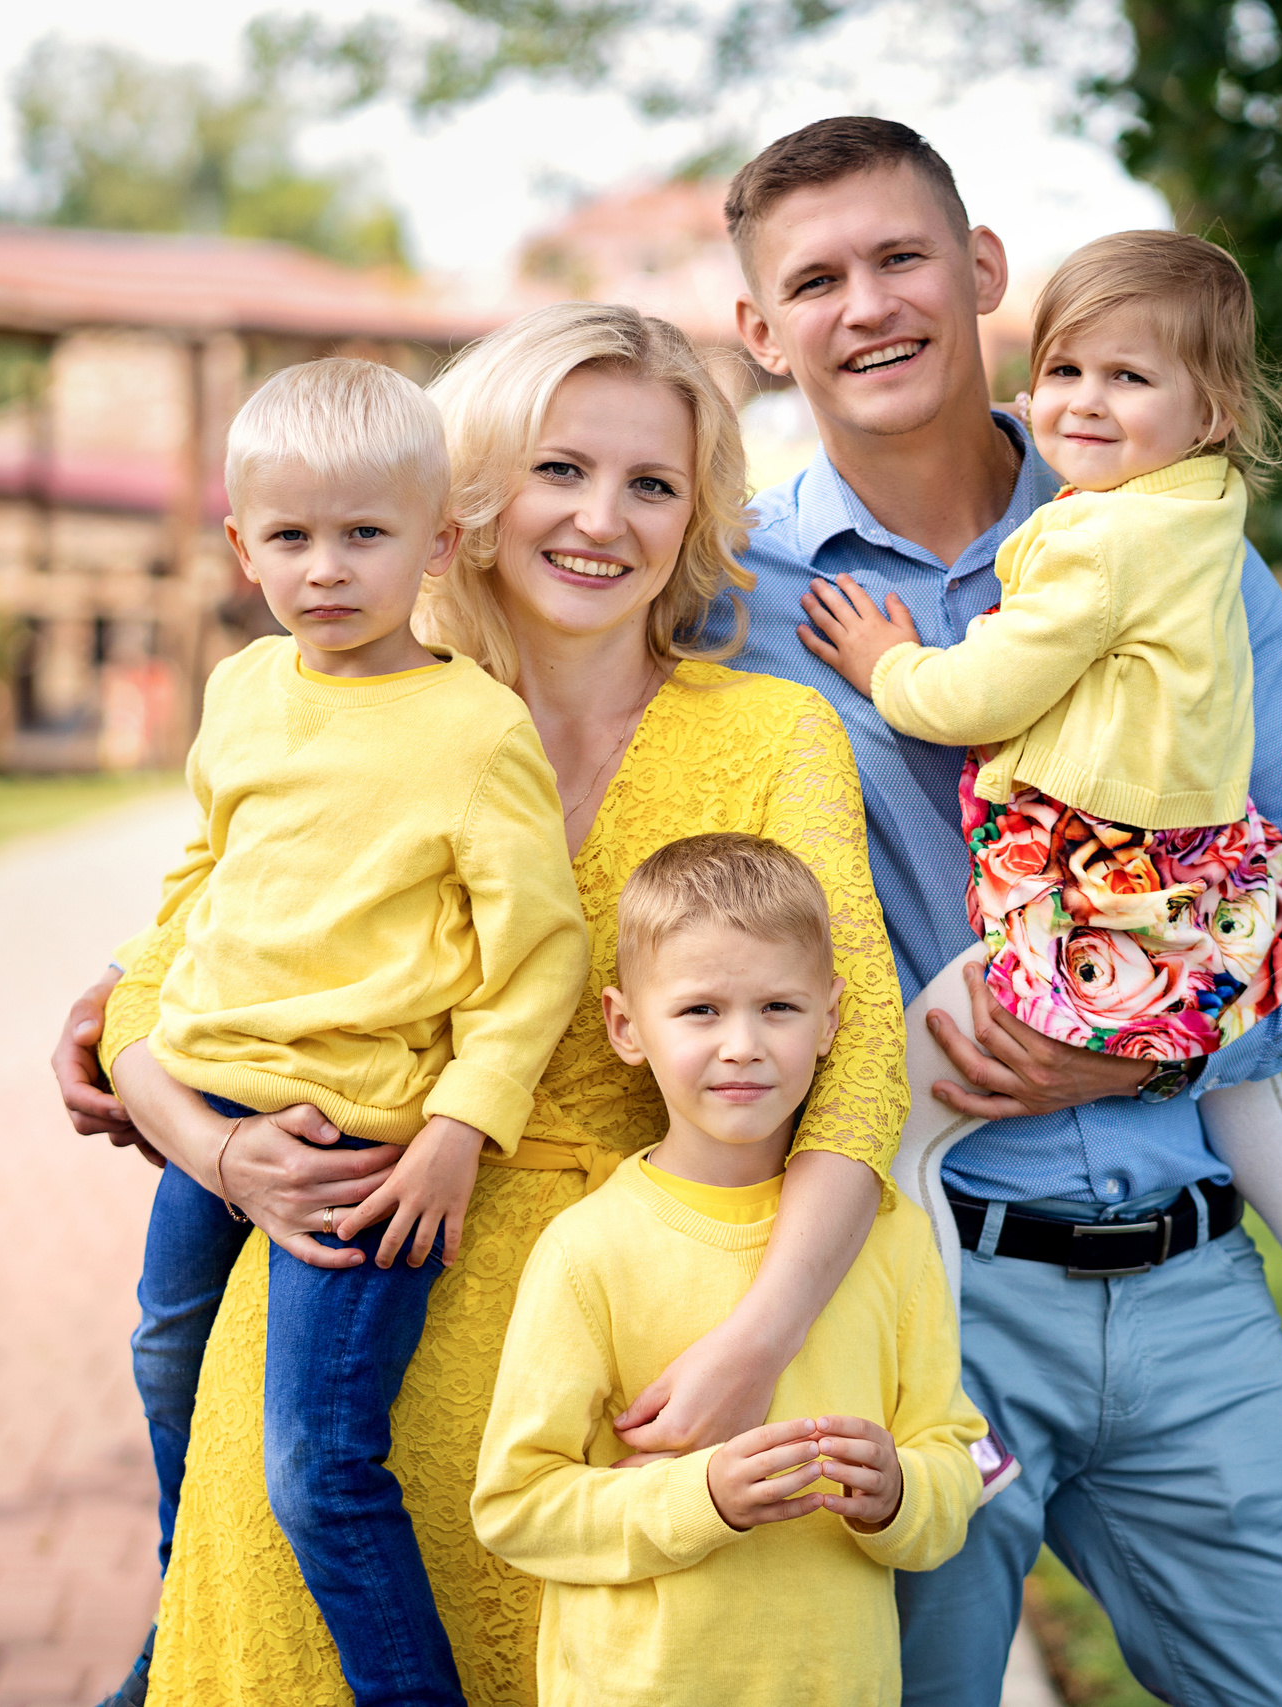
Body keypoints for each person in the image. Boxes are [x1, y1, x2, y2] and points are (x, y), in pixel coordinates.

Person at [56, 302, 907, 1707]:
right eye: (559, 468)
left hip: (638, 1360)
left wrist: (755, 1339)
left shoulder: (774, 735)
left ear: (693, 518)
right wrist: (214, 1147)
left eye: (652, 484)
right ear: (470, 500)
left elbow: (859, 1054)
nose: (601, 519)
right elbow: (172, 962)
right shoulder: (350, 698)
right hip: (344, 1289)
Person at [720, 116, 1282, 1705]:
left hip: (1194, 1287)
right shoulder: (729, 599)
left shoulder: (1180, 543)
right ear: (760, 330)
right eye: (815, 280)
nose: (867, 304)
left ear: (982, 273)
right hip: (907, 1291)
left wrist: (1159, 1037)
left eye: (901, 257)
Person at [798, 228, 1282, 1502]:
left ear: (1209, 411)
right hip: (1206, 896)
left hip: (1091, 908)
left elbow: (974, 694)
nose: (1083, 404)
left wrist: (888, 663)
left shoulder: (1095, 543)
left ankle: (950, 1418)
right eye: (1063, 372)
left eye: (1127, 379)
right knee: (1253, 1106)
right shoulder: (1200, 515)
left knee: (895, 1142)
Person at [103, 356, 590, 1705]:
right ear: (240, 546)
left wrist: (460, 1128)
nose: (326, 569)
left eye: (366, 533)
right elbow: (205, 871)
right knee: (164, 1358)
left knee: (317, 1463)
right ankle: (174, 1630)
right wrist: (138, 1005)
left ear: (436, 545)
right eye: (292, 537)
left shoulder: (473, 729)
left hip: (362, 1143)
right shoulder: (245, 691)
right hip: (213, 1103)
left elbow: (540, 951)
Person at [471, 833, 987, 1707]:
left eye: (779, 1007)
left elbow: (952, 1461)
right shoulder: (588, 1248)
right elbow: (517, 1507)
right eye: (700, 1010)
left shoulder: (889, 1238)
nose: (742, 1044)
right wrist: (700, 1495)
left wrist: (900, 1491)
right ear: (626, 1027)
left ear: (831, 1019)